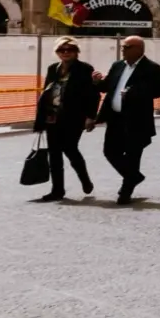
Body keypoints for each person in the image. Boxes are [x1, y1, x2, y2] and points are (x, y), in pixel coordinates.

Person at [95, 35, 160, 203]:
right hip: (115, 118)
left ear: (139, 49)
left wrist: (135, 92)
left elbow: (158, 91)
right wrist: (97, 82)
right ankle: (134, 176)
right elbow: (108, 87)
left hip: (137, 119)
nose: (123, 50)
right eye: (122, 47)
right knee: (110, 152)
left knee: (133, 155)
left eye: (127, 47)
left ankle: (125, 192)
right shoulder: (117, 65)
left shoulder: (151, 68)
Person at [32, 36, 99, 202]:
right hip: (52, 116)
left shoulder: (85, 69)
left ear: (77, 52)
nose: (66, 52)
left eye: (70, 49)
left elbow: (93, 94)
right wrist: (40, 119)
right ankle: (57, 190)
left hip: (74, 117)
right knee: (54, 154)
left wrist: (91, 117)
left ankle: (84, 179)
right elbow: (46, 93)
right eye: (62, 50)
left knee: (70, 149)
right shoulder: (53, 69)